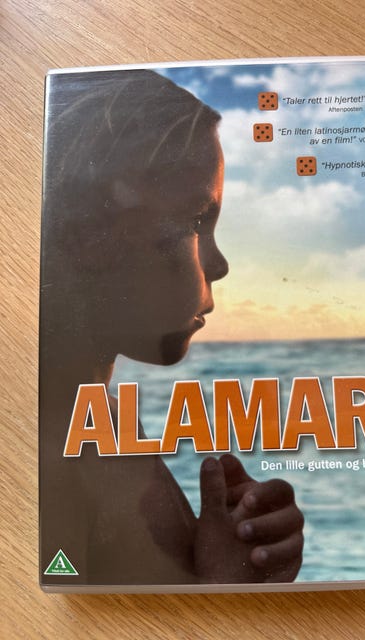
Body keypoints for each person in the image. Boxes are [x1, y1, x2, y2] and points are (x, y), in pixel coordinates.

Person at [40, 68, 303, 585]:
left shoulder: (104, 422)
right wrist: (223, 592)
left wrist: (230, 561)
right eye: (197, 220)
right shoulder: (54, 466)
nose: (220, 264)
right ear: (90, 235)